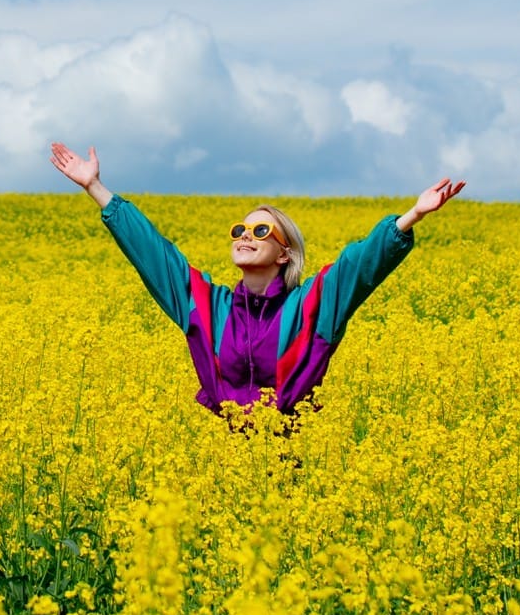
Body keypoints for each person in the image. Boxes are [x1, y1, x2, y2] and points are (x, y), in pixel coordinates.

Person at [51, 142, 464, 416]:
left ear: (285, 253)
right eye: (240, 230)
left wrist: (412, 217)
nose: (246, 235)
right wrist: (96, 188)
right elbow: (156, 256)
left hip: (288, 471)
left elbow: (358, 267)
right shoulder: (209, 308)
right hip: (222, 470)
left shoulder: (310, 310)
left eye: (261, 231)